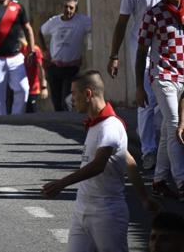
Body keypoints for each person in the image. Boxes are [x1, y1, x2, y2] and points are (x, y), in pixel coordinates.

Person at [42, 70, 159, 252]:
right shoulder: (95, 123)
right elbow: (128, 160)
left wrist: (62, 183)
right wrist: (144, 198)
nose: (71, 99)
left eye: (74, 94)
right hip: (82, 209)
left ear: (88, 94)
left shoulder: (110, 126)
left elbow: (98, 165)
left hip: (107, 213)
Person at [108, 0, 165, 171]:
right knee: (146, 101)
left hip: (167, 49)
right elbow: (122, 23)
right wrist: (114, 55)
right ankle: (149, 152)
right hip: (140, 48)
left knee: (167, 101)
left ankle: (168, 150)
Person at [137, 0, 184, 200]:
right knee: (175, 122)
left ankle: (158, 180)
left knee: (167, 129)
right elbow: (140, 51)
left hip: (183, 77)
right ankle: (182, 180)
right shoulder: (154, 14)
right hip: (162, 76)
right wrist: (138, 85)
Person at [40, 0, 92, 111]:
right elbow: (41, 31)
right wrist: (44, 50)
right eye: (65, 7)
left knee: (67, 99)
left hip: (71, 68)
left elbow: (98, 26)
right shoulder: (54, 21)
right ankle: (59, 122)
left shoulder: (82, 21)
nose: (68, 10)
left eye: (71, 8)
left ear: (75, 9)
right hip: (55, 67)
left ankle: (68, 120)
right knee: (57, 102)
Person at [19, 38, 47, 113]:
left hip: (33, 90)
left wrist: (44, 86)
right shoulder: (16, 51)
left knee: (32, 113)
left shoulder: (35, 50)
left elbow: (41, 68)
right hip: (19, 91)